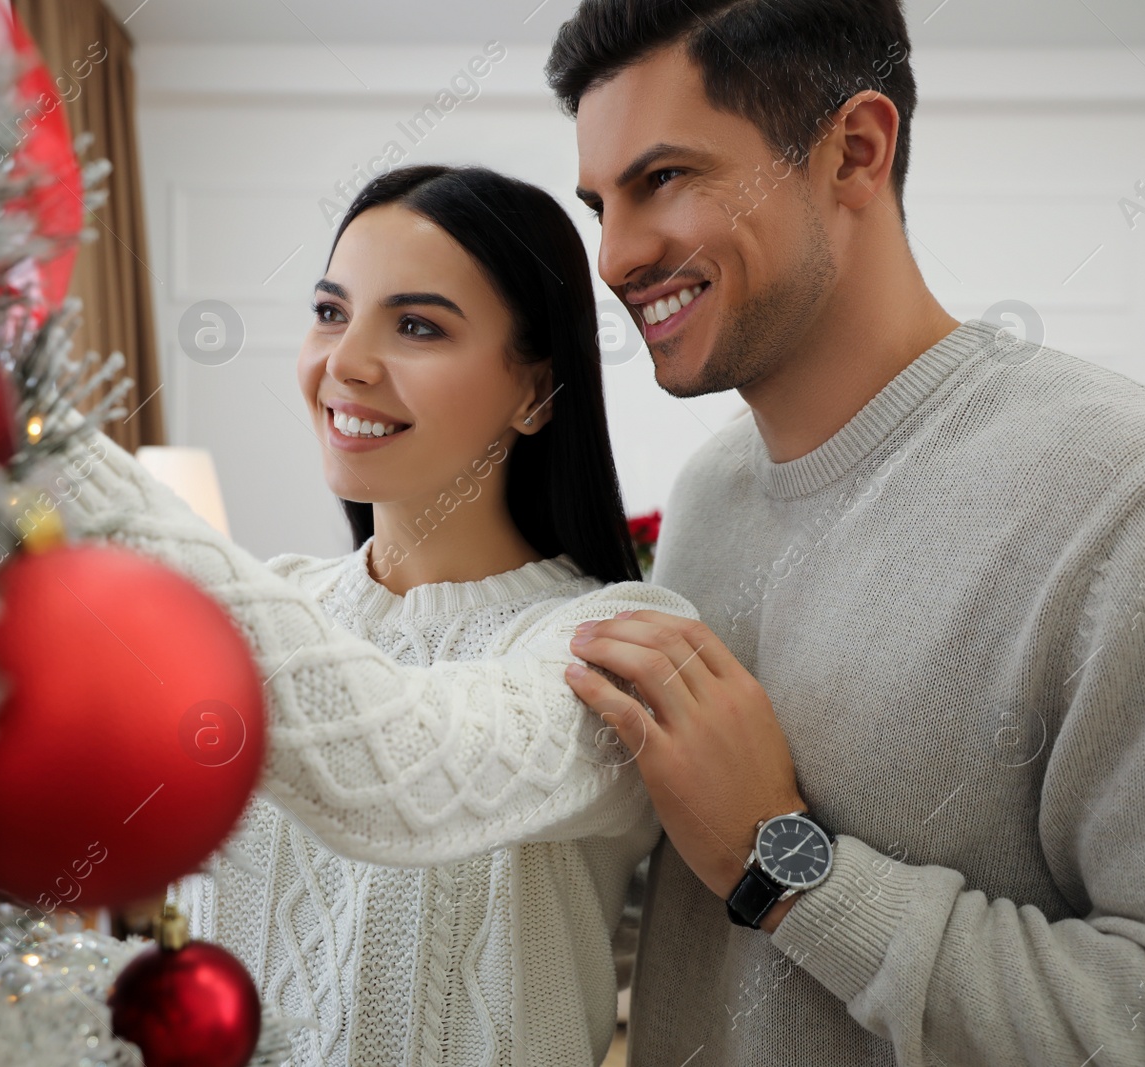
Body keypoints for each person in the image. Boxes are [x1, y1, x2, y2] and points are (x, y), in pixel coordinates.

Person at [542, 1, 1145, 1064]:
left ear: (853, 150)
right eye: (599, 204)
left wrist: (782, 863)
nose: (616, 256)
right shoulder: (707, 494)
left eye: (665, 178)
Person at [63, 165, 697, 1066]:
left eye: (415, 325)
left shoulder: (610, 639)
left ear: (536, 391)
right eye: (331, 312)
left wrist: (50, 452)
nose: (345, 364)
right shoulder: (275, 600)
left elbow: (403, 772)